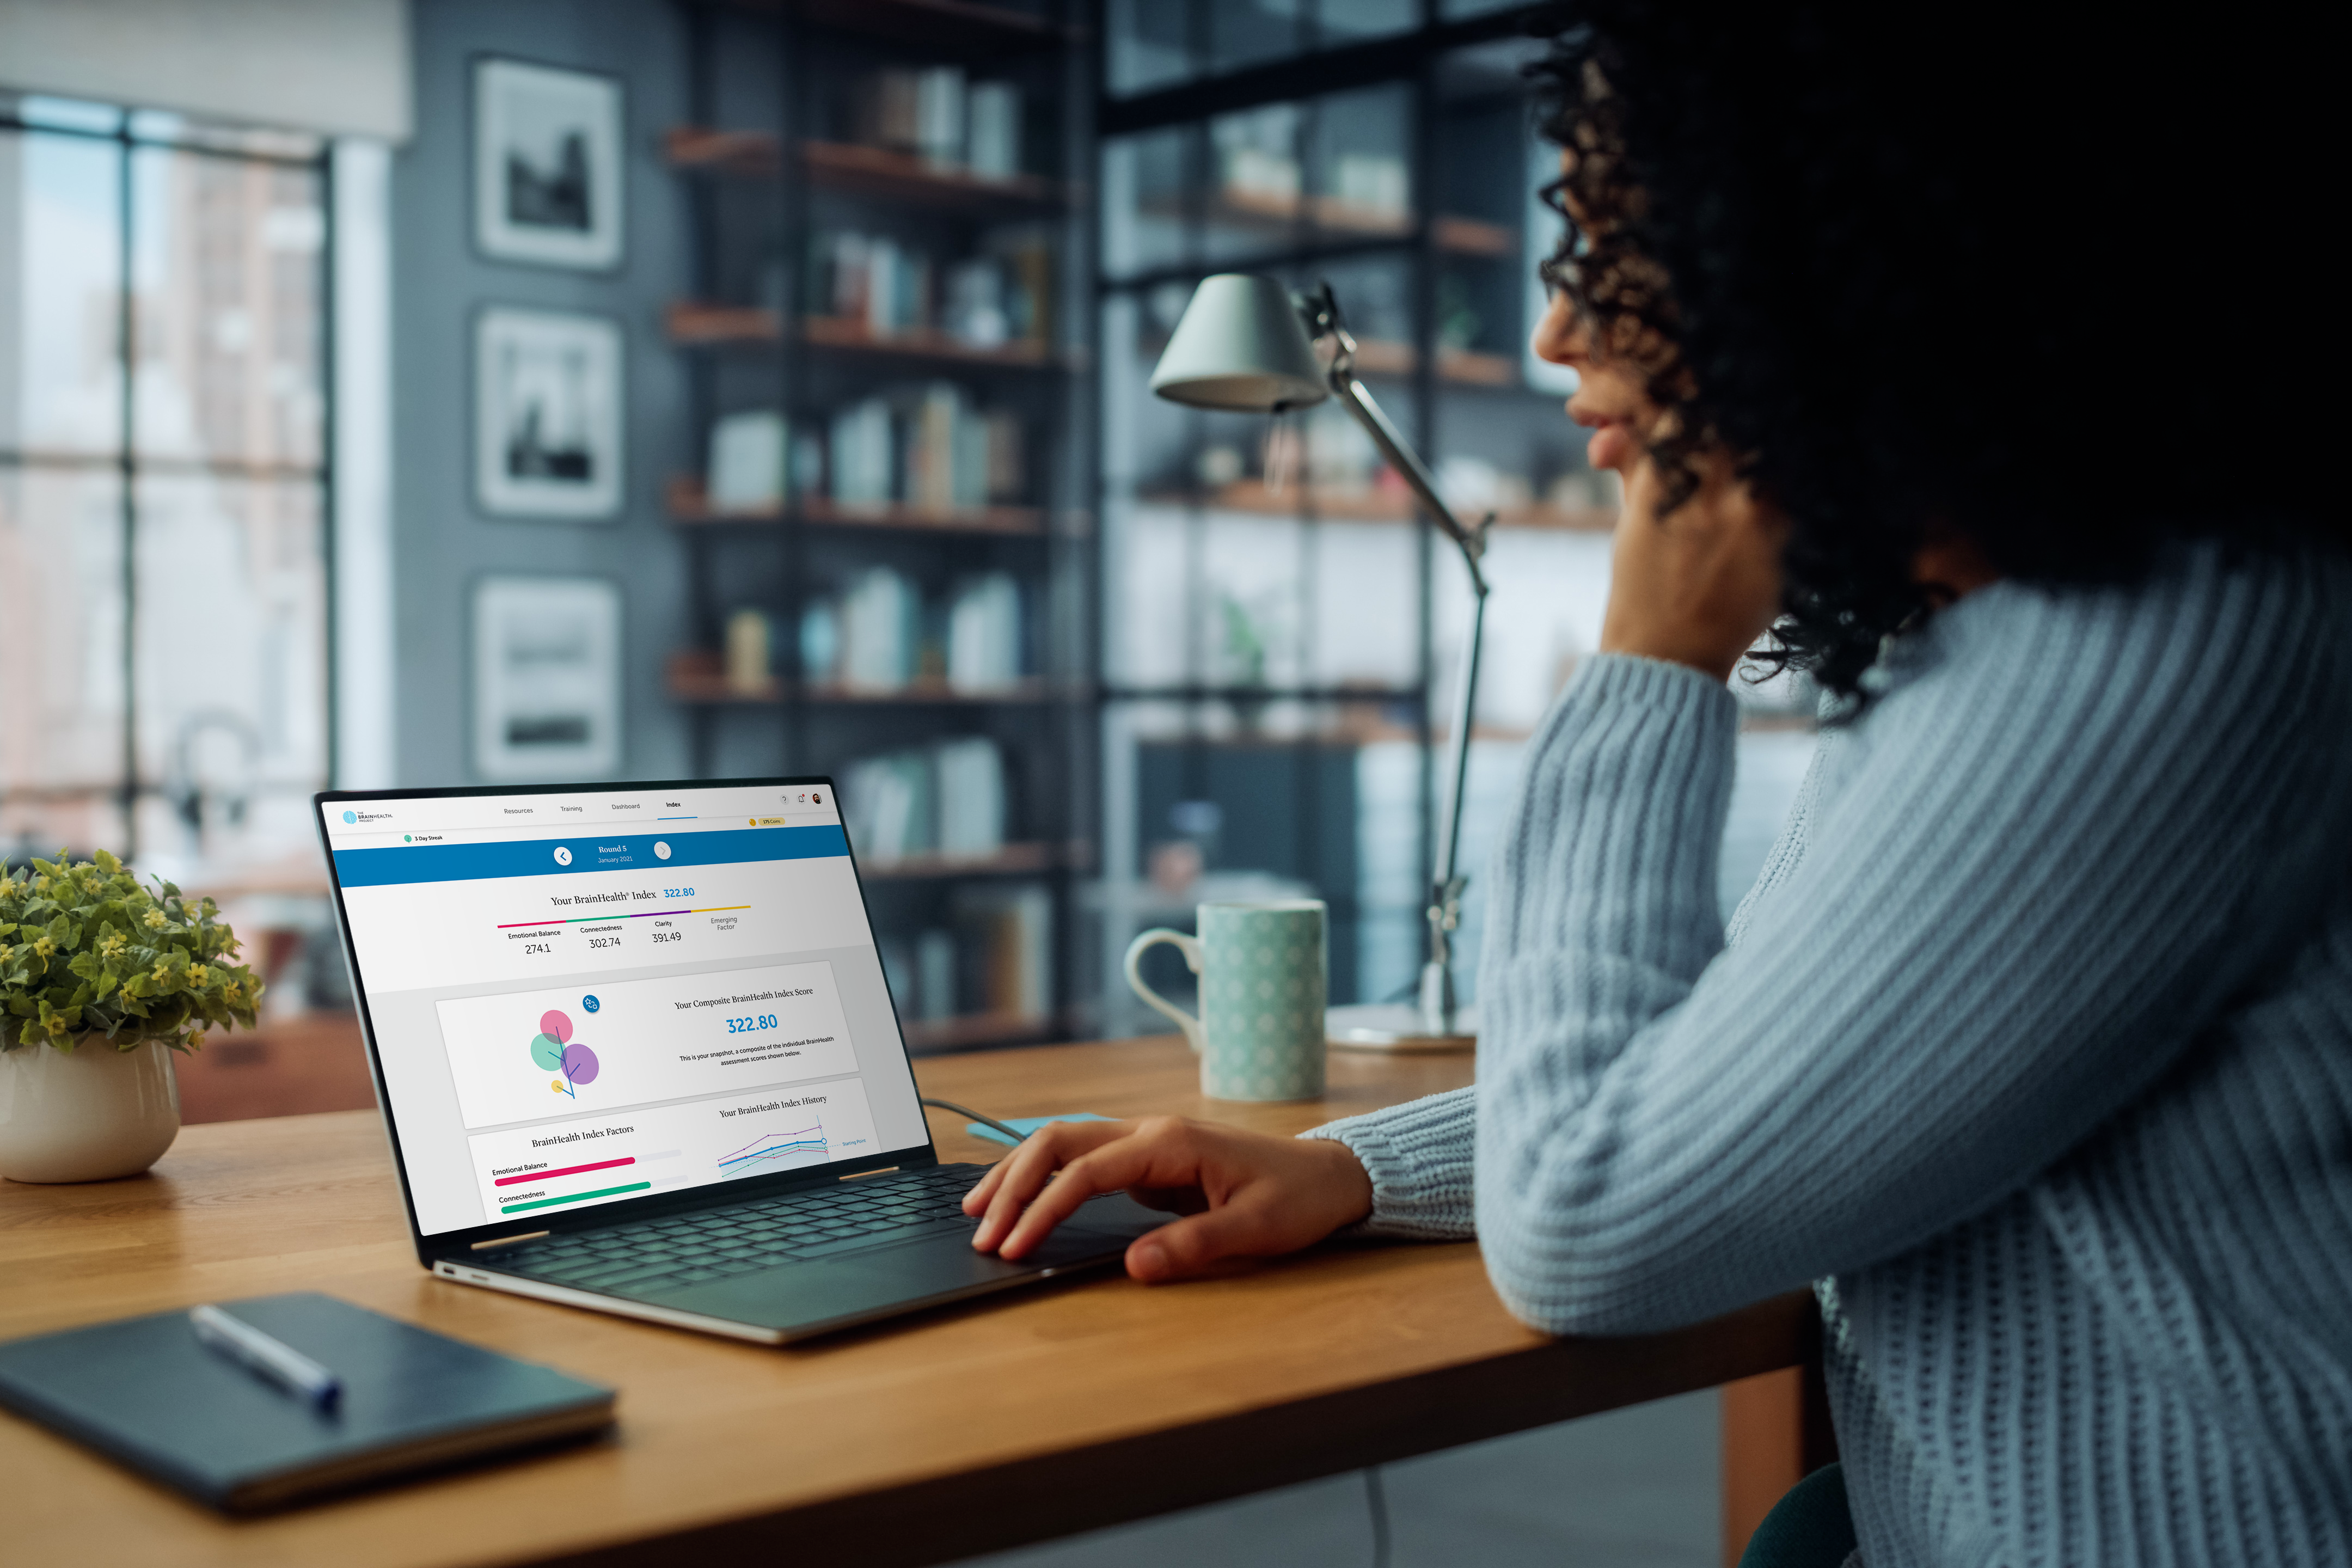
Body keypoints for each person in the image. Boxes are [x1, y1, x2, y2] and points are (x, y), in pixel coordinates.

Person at [969, 4, 2349, 1563]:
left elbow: (1586, 1232)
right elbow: (1741, 1062)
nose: (1558, 329)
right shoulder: (2016, 633)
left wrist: (1652, 656)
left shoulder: (2144, 653)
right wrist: (1350, 1168)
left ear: (1841, 247)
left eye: (1618, 244)